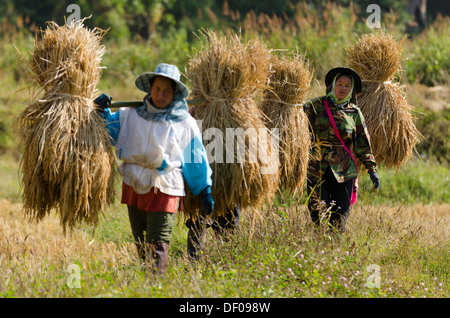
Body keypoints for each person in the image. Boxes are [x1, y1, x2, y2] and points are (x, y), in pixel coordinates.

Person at [94, 63, 214, 275]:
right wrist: (101, 110)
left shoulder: (185, 122)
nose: (161, 94)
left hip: (165, 185)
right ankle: (147, 285)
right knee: (141, 243)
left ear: (175, 93)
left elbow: (195, 157)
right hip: (134, 182)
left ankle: (157, 286)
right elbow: (110, 133)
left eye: (167, 91)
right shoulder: (129, 114)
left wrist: (204, 188)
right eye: (157, 89)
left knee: (158, 244)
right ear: (150, 89)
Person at [303, 67, 380, 233]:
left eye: (347, 85)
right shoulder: (314, 106)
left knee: (340, 215)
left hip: (344, 170)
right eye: (339, 84)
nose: (343, 88)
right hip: (318, 168)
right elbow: (300, 133)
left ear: (351, 89)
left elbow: (362, 143)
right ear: (332, 85)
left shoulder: (354, 112)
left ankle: (334, 250)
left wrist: (372, 169)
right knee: (317, 211)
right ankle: (318, 245)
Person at [185, 106, 241, 260]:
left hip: (228, 171)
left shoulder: (234, 108)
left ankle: (228, 261)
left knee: (228, 217)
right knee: (199, 219)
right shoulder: (197, 112)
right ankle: (194, 263)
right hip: (203, 175)